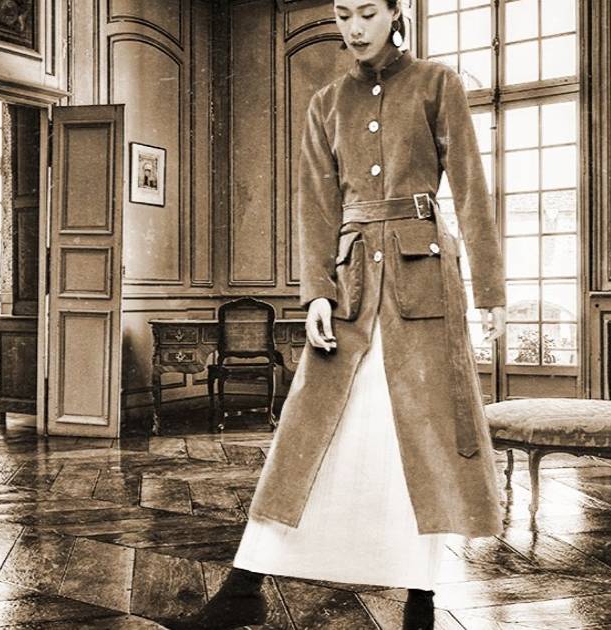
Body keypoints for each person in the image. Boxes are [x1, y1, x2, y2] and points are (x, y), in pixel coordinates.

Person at [160, 1, 506, 628]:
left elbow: (472, 188)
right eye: (344, 13)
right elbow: (316, 204)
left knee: (418, 439)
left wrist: (491, 292)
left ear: (395, 13)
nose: (354, 27)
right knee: (306, 432)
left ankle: (420, 600)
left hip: (424, 283)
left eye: (368, 12)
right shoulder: (326, 103)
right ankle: (245, 586)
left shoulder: (437, 83)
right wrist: (317, 292)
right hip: (350, 286)